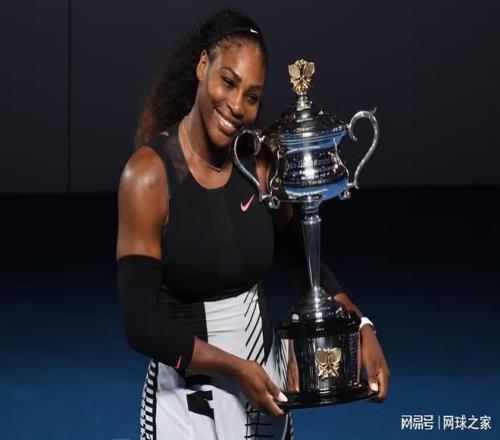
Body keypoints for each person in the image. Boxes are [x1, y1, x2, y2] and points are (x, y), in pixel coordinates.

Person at [116, 8, 390, 440]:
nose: (236, 105)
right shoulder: (148, 176)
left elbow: (301, 261)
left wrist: (361, 326)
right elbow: (140, 324)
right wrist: (236, 369)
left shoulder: (260, 165)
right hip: (185, 410)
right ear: (202, 66)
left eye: (252, 96)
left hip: (264, 399)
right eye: (228, 82)